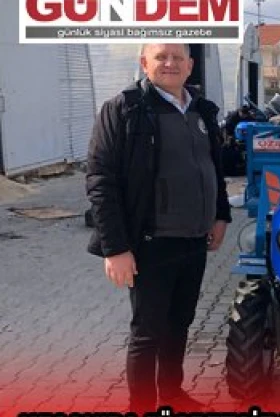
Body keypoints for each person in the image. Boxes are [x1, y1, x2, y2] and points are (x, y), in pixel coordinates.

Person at [86, 43, 231, 413]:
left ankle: (172, 394)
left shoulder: (202, 110)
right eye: (161, 57)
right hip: (150, 243)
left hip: (194, 241)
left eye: (177, 58)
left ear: (190, 65)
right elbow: (101, 180)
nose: (170, 63)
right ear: (144, 63)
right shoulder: (125, 109)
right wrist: (115, 248)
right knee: (147, 333)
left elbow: (214, 168)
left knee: (179, 323)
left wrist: (221, 215)